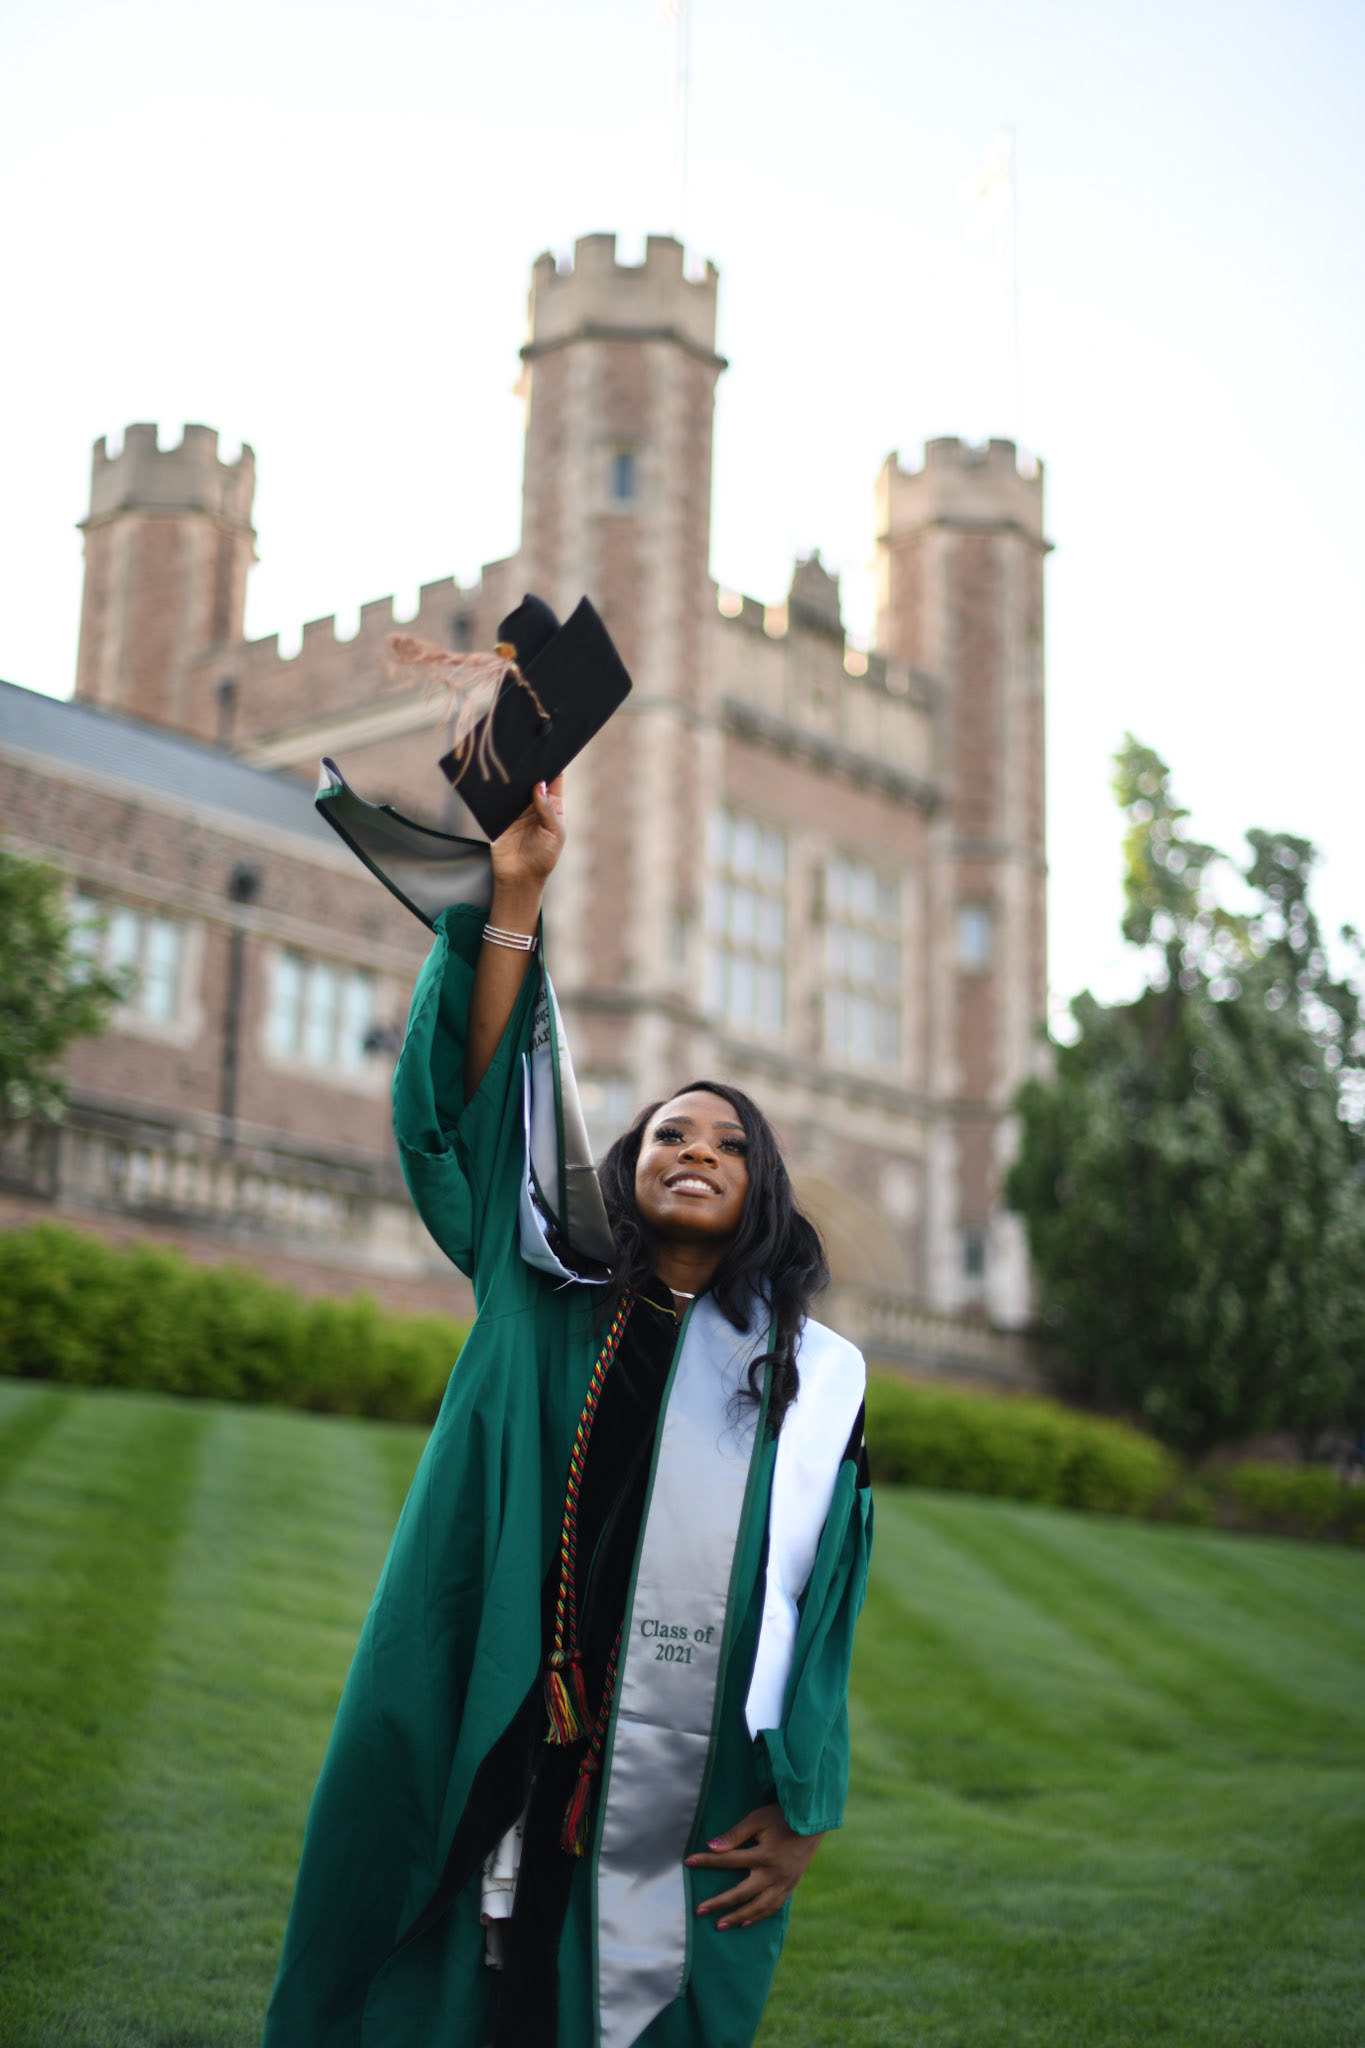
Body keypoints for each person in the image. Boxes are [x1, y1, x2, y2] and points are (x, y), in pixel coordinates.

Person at [262, 773, 873, 2048]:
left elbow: (822, 1612)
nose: (697, 1149)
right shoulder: (542, 1290)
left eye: (731, 1144)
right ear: (625, 1165)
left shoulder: (810, 1379)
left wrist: (807, 1804)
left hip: (675, 1764)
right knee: (452, 1991)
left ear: (762, 1193)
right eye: (671, 1133)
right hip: (487, 1704)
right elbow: (490, 1101)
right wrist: (518, 891)